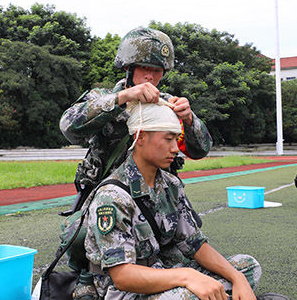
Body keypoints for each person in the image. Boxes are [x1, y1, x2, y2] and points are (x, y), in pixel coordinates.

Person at [76, 101, 291, 300]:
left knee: (247, 267)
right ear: (140, 137)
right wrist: (189, 277)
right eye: (167, 140)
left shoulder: (169, 184)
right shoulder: (113, 195)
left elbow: (195, 244)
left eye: (176, 140)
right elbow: (122, 276)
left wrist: (237, 279)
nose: (175, 149)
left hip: (163, 275)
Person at [60, 27, 212, 214]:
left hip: (158, 202)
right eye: (144, 68)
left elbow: (200, 151)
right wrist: (122, 98)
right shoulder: (102, 98)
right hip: (108, 200)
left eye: (157, 70)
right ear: (128, 67)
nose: (150, 76)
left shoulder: (168, 106)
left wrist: (189, 120)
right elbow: (68, 127)